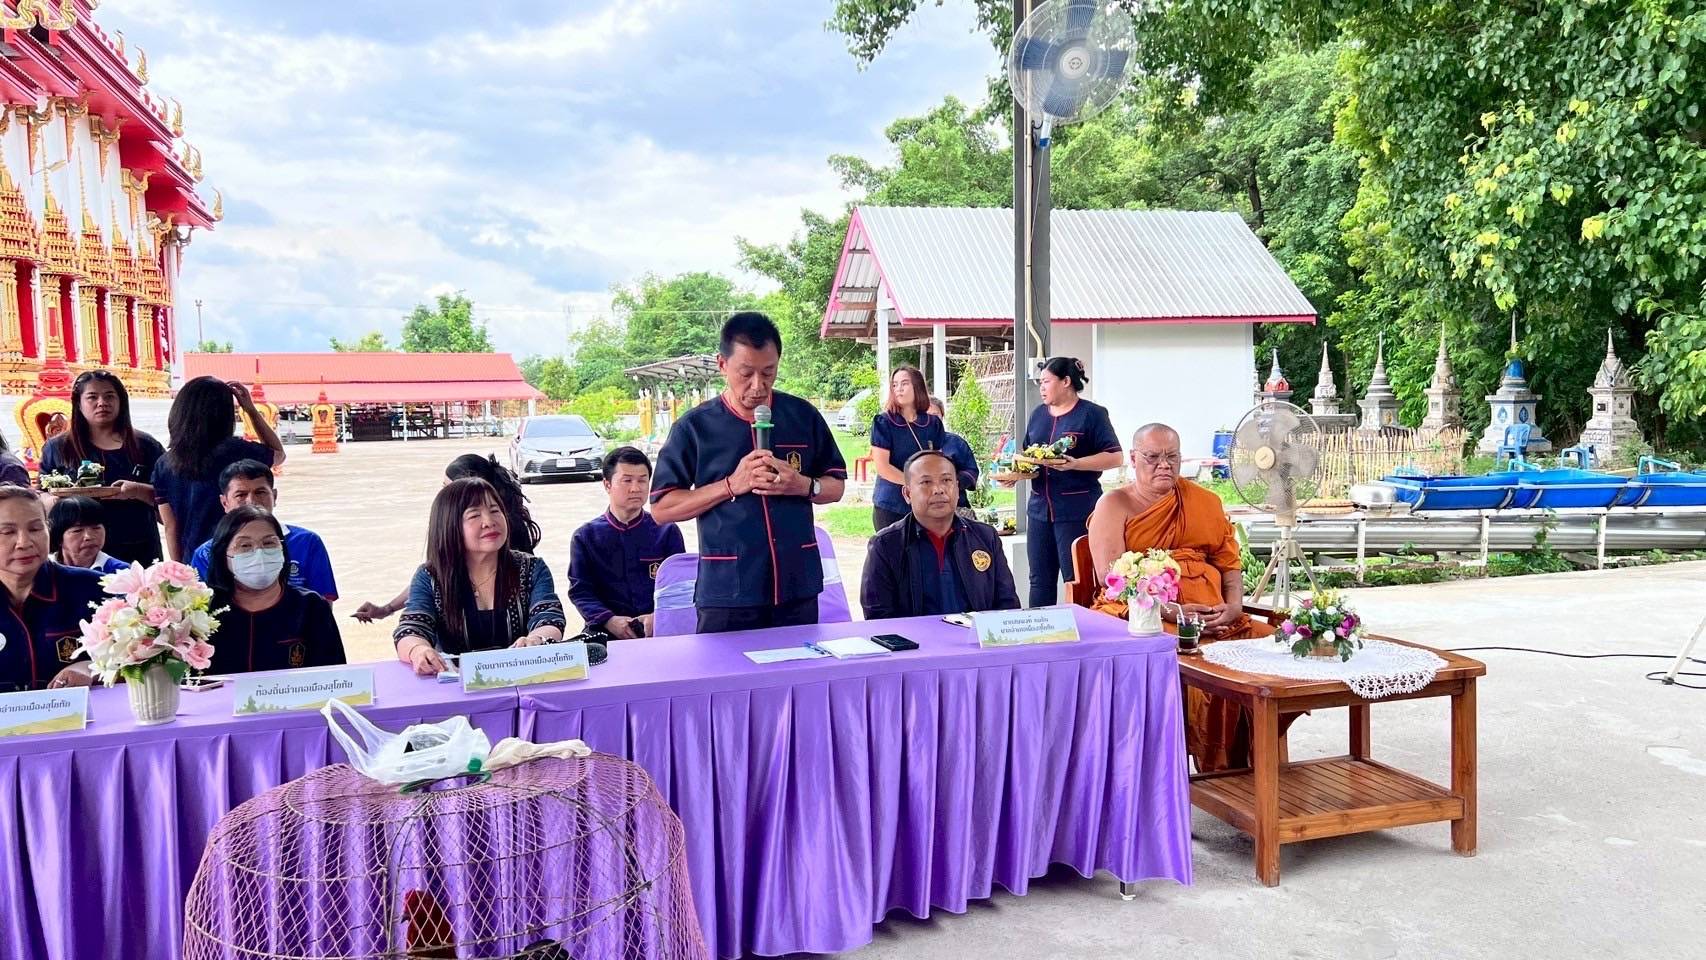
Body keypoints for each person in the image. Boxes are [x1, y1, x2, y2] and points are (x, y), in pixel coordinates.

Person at [1088, 422, 1280, 772]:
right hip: (1147, 616)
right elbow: (1112, 578)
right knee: (1183, 663)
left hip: (1218, 619)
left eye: (1172, 457)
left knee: (1275, 647)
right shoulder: (1114, 504)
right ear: (1133, 458)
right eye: (1153, 457)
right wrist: (1171, 612)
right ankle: (1191, 769)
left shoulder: (1204, 502)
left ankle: (1259, 766)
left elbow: (1229, 564)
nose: (1164, 465)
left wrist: (1234, 606)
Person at [651, 311, 847, 633]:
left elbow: (836, 486)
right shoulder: (695, 427)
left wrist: (803, 485)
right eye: (746, 373)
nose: (758, 386)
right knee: (725, 668)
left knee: (797, 665)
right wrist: (731, 485)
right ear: (722, 364)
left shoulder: (803, 416)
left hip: (796, 585)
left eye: (769, 372)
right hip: (728, 591)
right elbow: (662, 508)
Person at [393, 478, 567, 676]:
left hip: (525, 677)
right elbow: (411, 629)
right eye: (474, 515)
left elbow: (549, 618)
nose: (489, 522)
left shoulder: (532, 568)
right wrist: (418, 650)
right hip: (456, 685)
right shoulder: (430, 576)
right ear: (449, 525)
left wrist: (536, 639)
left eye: (495, 511)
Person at [353, 453, 537, 623]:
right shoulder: (437, 566)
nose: (443, 496)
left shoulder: (500, 541)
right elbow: (435, 577)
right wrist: (388, 608)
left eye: (447, 488)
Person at [1005, 357, 1122, 607]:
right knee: (1039, 579)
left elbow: (1115, 457)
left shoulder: (1092, 414)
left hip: (1077, 510)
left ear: (1066, 381)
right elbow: (1028, 455)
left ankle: (1082, 624)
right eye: (1040, 383)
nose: (1041, 388)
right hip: (1039, 511)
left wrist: (1076, 464)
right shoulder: (1038, 414)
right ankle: (1039, 626)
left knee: (1076, 578)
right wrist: (1016, 475)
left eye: (1046, 382)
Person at [861, 450, 1019, 619]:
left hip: (975, 635)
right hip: (916, 637)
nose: (938, 490)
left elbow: (1008, 607)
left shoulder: (985, 537)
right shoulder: (885, 546)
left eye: (946, 480)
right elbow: (878, 619)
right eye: (926, 482)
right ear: (907, 494)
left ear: (957, 488)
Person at [152, 376, 285, 562]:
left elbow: (171, 527)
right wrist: (250, 411)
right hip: (240, 557)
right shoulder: (239, 451)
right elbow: (279, 454)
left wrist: (180, 569)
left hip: (196, 560)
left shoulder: (164, 464)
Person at [40, 370, 167, 563]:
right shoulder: (58, 447)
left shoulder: (146, 445)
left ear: (121, 401)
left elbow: (170, 496)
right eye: (92, 397)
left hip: (137, 546)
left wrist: (137, 490)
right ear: (78, 403)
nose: (102, 403)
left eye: (109, 396)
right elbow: (41, 492)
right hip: (80, 551)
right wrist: (52, 500)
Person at [203, 505, 346, 675]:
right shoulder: (202, 611)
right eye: (245, 545)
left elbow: (334, 677)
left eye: (269, 543)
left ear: (282, 549)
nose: (259, 553)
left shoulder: (311, 607)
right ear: (223, 554)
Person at [567, 446, 685, 639]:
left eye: (642, 480)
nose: (635, 488)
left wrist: (658, 617)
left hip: (657, 630)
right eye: (627, 480)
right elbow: (581, 591)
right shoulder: (586, 537)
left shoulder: (667, 531)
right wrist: (609, 620)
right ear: (607, 485)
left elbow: (678, 587)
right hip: (605, 631)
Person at [0, 487, 105, 691]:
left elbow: (141, 660)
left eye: (35, 529)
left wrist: (90, 669)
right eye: (7, 532)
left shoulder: (96, 589)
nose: (24, 543)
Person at [186, 460, 337, 600]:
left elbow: (323, 604)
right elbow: (199, 608)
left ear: (274, 496)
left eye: (260, 492)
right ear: (225, 502)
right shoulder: (206, 553)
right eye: (241, 495)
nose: (252, 501)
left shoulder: (307, 542)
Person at [868, 365, 947, 532]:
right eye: (895, 384)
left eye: (904, 383)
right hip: (891, 505)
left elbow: (938, 462)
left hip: (926, 503)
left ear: (917, 387)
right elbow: (882, 467)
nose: (899, 389)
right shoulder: (884, 422)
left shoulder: (933, 423)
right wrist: (915, 483)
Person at [48, 496, 130, 574]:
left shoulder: (121, 572)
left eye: (96, 528)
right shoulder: (44, 568)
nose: (89, 537)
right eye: (78, 530)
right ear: (58, 537)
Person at [927, 395, 980, 511]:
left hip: (956, 505)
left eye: (935, 415)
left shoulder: (956, 442)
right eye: (927, 415)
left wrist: (953, 482)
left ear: (942, 416)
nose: (931, 420)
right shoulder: (910, 443)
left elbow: (972, 471)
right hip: (922, 507)